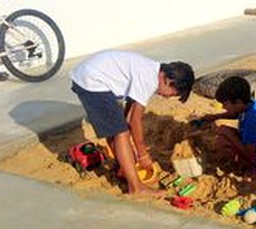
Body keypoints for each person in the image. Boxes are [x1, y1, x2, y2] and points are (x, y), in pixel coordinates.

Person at [70, 50, 194, 196]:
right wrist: (143, 155)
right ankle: (136, 188)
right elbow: (134, 121)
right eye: (172, 94)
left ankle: (123, 168)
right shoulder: (148, 79)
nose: (167, 98)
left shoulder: (150, 70)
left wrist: (129, 151)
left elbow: (127, 116)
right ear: (167, 81)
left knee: (118, 128)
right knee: (120, 132)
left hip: (88, 74)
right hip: (91, 81)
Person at [193, 76, 256, 175]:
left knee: (224, 139)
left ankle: (255, 168)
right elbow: (236, 114)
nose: (223, 107)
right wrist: (215, 117)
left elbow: (249, 152)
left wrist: (228, 135)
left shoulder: (252, 120)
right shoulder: (249, 104)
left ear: (238, 102)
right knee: (224, 133)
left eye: (225, 104)